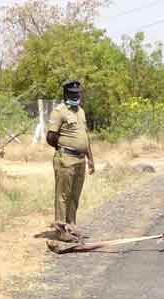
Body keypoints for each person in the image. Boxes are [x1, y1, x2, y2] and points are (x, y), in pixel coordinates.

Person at [46, 80, 95, 225]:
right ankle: (61, 228)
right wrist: (64, 148)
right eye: (72, 94)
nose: (75, 96)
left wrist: (90, 159)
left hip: (80, 160)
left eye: (77, 93)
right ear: (65, 94)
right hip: (66, 159)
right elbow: (50, 137)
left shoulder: (81, 111)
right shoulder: (59, 111)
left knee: (75, 195)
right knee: (63, 195)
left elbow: (85, 136)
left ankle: (71, 225)